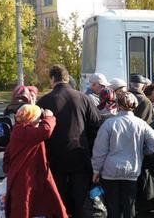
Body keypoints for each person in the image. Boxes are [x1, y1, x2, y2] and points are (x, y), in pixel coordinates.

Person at [37, 65, 101, 217]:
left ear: (53, 79)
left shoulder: (44, 101)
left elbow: (39, 132)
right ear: (66, 78)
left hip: (55, 159)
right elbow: (95, 126)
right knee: (80, 200)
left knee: (59, 200)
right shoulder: (84, 98)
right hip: (80, 156)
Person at [91, 92, 154, 218]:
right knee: (130, 205)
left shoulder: (109, 123)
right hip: (131, 170)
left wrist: (96, 170)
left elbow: (99, 150)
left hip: (110, 171)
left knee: (112, 205)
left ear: (118, 105)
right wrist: (143, 152)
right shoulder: (141, 124)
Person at [3, 105, 67, 218]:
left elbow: (7, 155)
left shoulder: (18, 129)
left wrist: (8, 170)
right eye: (37, 118)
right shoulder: (23, 131)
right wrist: (49, 117)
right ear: (30, 118)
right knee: (24, 207)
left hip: (22, 175)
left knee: (29, 206)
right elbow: (46, 130)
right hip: (24, 177)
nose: (39, 120)